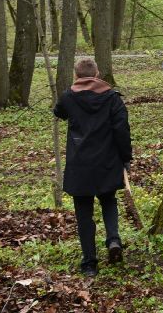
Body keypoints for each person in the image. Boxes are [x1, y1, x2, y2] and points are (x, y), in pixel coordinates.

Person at [54, 58, 134, 277]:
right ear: (97, 74)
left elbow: (58, 111)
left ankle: (89, 262)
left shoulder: (69, 97)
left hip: (80, 164)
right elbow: (122, 130)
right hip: (107, 161)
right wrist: (126, 158)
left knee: (83, 212)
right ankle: (113, 239)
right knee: (108, 200)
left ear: (76, 75)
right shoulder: (112, 97)